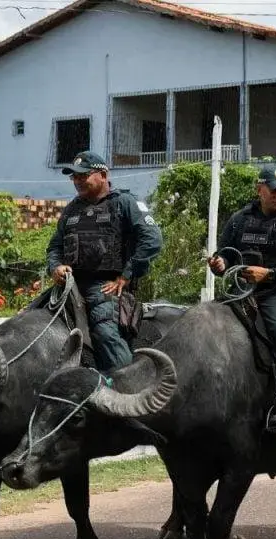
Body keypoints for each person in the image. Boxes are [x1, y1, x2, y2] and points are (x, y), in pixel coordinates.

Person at [207, 166, 276, 436]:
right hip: (238, 291)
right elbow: (226, 255)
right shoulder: (239, 220)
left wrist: (269, 274)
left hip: (275, 294)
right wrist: (220, 264)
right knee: (205, 323)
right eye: (275, 190)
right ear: (260, 189)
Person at [46, 150, 162, 372]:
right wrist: (55, 266)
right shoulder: (71, 209)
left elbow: (152, 240)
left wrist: (126, 275)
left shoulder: (124, 203)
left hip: (104, 288)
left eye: (83, 175)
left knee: (105, 332)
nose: (77, 181)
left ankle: (126, 383)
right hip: (69, 287)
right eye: (74, 177)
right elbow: (55, 247)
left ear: (103, 175)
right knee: (30, 316)